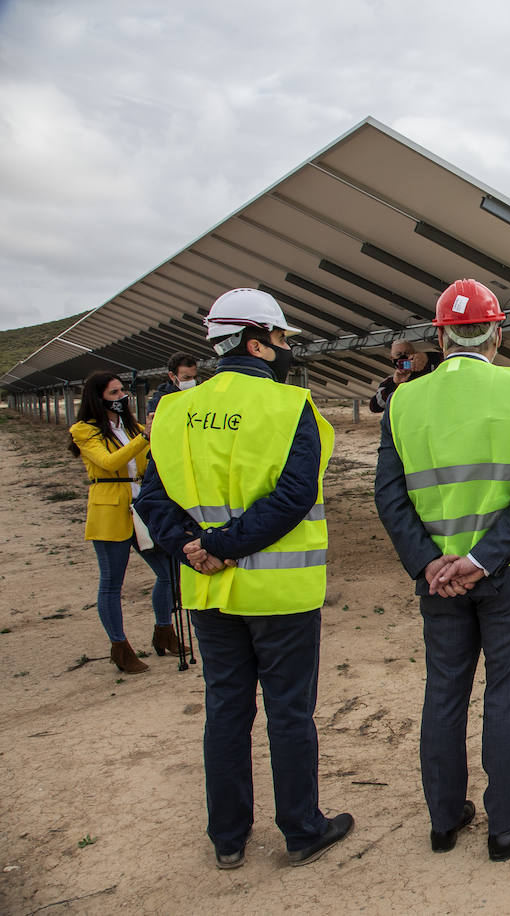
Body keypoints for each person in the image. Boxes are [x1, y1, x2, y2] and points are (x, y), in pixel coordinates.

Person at [134, 288, 353, 870]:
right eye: (281, 340)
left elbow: (153, 496)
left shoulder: (177, 411)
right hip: (280, 593)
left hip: (207, 590)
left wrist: (191, 547)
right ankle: (302, 828)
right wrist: (224, 546)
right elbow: (293, 495)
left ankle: (227, 838)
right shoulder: (289, 406)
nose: (285, 350)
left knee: (226, 709)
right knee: (289, 712)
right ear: (257, 343)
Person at [374, 279, 510, 861]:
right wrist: (481, 561)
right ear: (497, 334)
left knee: (445, 692)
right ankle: (507, 822)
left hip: (438, 580)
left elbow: (389, 496)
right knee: (508, 694)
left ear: (438, 336)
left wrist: (433, 562)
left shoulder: (403, 400)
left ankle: (444, 816)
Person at [68, 370, 181, 673]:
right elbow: (108, 462)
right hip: (109, 507)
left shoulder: (130, 427)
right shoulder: (83, 430)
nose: (122, 398)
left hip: (141, 506)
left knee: (168, 571)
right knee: (111, 583)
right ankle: (120, 647)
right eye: (114, 393)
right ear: (98, 397)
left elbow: (148, 458)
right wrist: (145, 437)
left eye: (122, 392)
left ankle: (164, 631)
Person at [368, 339, 441, 413]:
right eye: (398, 354)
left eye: (407, 353)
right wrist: (395, 385)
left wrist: (426, 357)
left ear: (414, 354)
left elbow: (447, 357)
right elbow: (375, 407)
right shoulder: (390, 381)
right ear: (392, 359)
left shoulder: (431, 371)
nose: (403, 356)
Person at [145, 352, 198, 429]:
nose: (192, 381)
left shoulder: (199, 394)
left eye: (194, 377)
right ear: (172, 376)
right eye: (186, 378)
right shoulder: (160, 401)